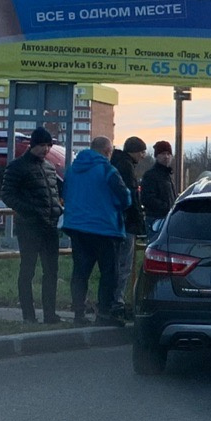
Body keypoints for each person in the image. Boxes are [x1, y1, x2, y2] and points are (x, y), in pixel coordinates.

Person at [62, 136, 130, 326]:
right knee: (109, 273)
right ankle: (104, 314)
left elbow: (65, 193)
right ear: (108, 151)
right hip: (104, 228)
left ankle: (78, 314)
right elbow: (124, 197)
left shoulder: (73, 169)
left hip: (77, 227)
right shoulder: (108, 170)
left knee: (80, 272)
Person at [0, 126, 63, 323]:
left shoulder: (50, 167)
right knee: (28, 271)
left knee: (51, 272)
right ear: (33, 145)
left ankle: (50, 314)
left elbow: (54, 194)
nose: (45, 149)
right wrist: (30, 212)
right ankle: (29, 315)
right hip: (29, 227)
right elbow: (7, 194)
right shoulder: (17, 166)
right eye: (42, 145)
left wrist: (58, 210)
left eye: (48, 145)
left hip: (50, 226)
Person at [110, 136, 147, 316]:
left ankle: (111, 300)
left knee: (113, 264)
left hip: (114, 222)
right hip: (127, 224)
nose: (143, 155)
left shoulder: (116, 163)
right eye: (141, 151)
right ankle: (117, 301)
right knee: (123, 265)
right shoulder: (126, 167)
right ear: (133, 151)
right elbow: (131, 197)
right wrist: (139, 222)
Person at [141, 140, 177, 232]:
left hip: (168, 219)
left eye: (169, 154)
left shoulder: (168, 175)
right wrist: (166, 207)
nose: (166, 157)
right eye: (163, 153)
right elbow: (147, 198)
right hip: (156, 220)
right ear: (156, 156)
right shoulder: (150, 175)